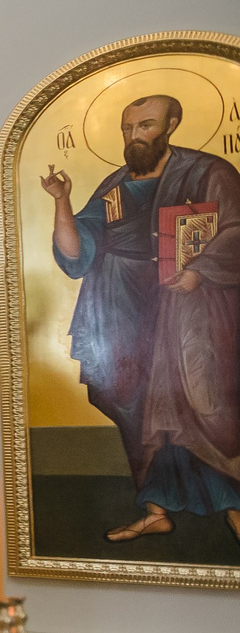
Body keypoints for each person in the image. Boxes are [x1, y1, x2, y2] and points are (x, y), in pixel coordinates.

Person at [42, 94, 240, 548]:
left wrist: (199, 271)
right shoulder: (114, 188)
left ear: (172, 123)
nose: (135, 136)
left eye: (145, 126)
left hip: (190, 309)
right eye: (128, 129)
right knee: (137, 406)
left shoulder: (208, 173)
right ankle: (156, 510)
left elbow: (235, 228)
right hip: (123, 307)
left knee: (207, 400)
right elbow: (76, 253)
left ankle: (234, 506)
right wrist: (62, 201)